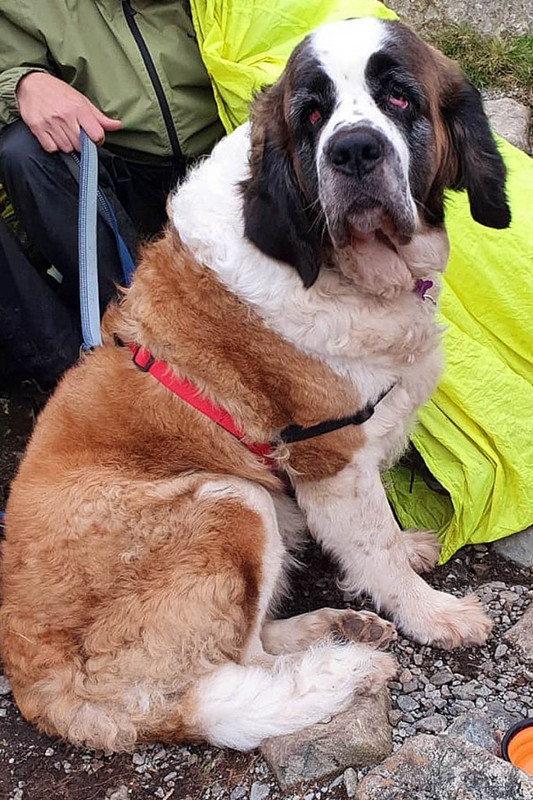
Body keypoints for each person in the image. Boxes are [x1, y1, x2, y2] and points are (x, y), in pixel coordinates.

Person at [0, 1, 225, 386]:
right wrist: (21, 84)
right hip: (113, 167)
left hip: (222, 151)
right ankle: (105, 358)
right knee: (23, 151)